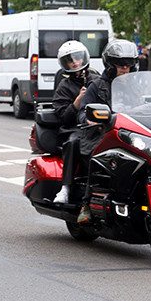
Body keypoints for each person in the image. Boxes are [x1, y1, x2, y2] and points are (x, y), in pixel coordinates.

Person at [75, 38, 139, 223]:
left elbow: (147, 107)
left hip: (129, 135)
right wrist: (91, 119)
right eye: (120, 64)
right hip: (100, 135)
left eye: (129, 64)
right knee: (99, 159)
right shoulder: (97, 86)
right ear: (110, 64)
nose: (125, 68)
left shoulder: (136, 88)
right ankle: (86, 205)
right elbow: (82, 113)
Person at [52, 41, 100, 204]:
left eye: (77, 58)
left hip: (99, 126)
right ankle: (65, 188)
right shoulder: (63, 87)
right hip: (75, 128)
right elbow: (64, 117)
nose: (74, 62)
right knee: (74, 142)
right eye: (69, 60)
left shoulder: (97, 80)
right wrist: (77, 101)